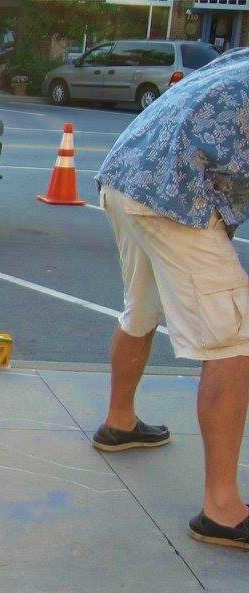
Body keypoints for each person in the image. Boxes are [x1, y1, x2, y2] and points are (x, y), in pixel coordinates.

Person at [93, 49, 249, 550]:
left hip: (127, 175)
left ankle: (120, 423)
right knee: (233, 340)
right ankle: (222, 511)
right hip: (176, 193)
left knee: (140, 309)